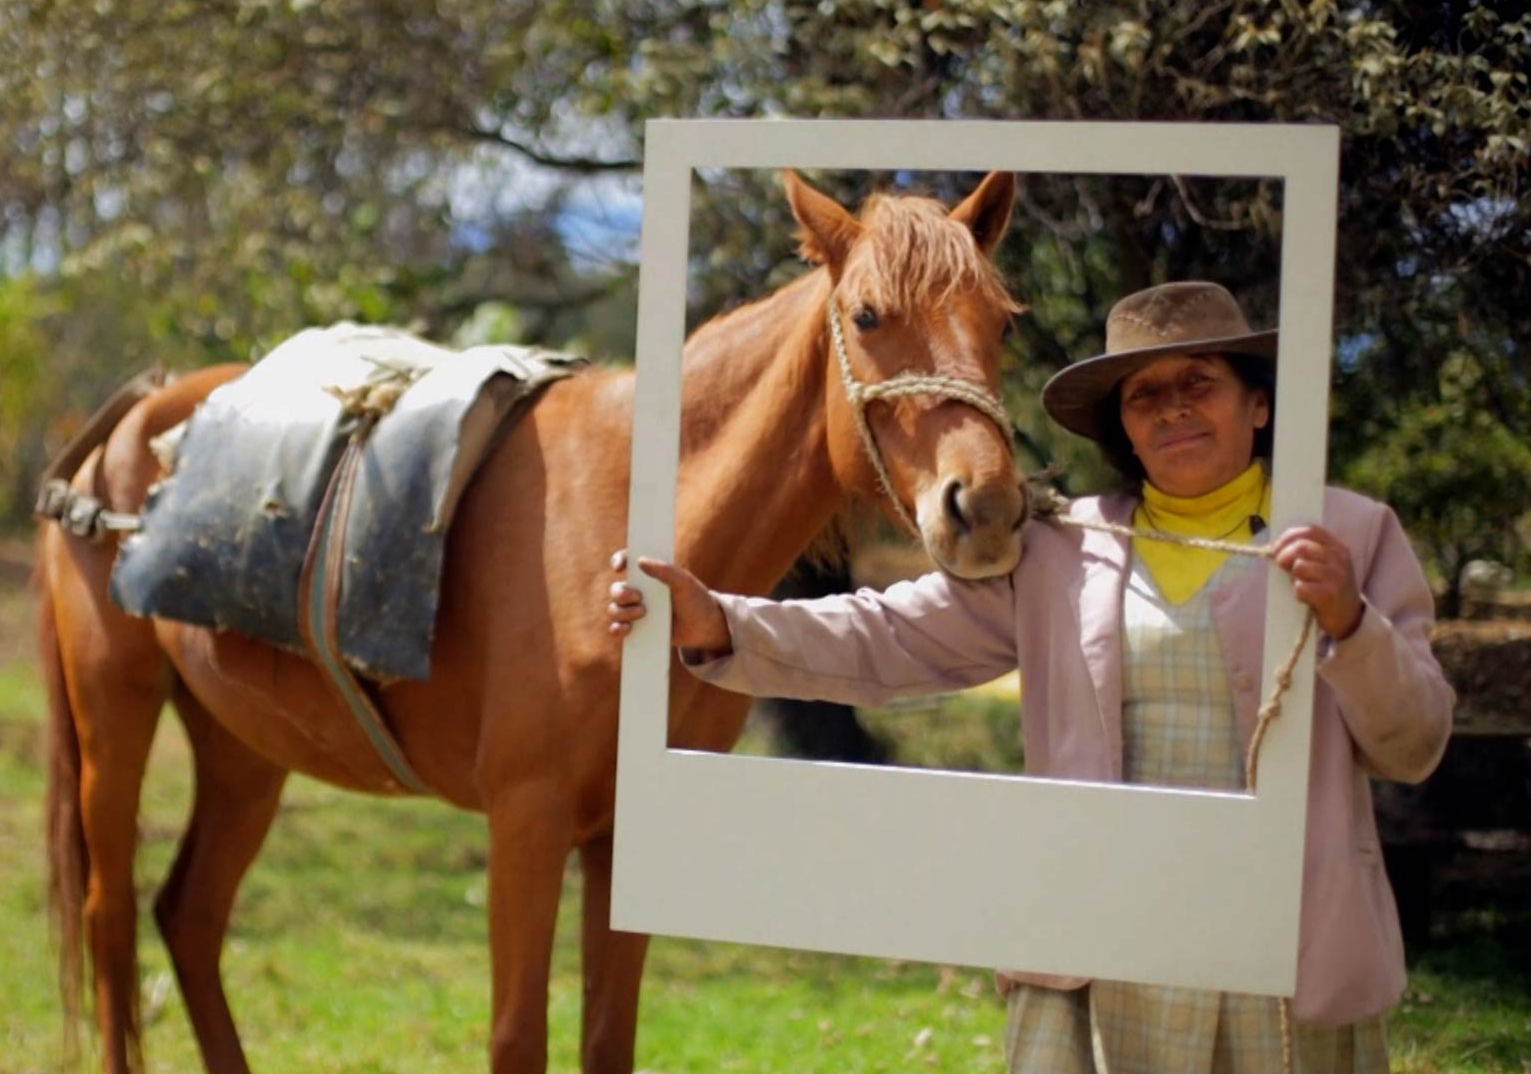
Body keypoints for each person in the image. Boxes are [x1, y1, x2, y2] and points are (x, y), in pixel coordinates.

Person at [604, 281, 1454, 1073]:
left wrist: (1350, 619)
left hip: (1280, 953)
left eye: (1200, 381)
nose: (1172, 408)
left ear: (1257, 403)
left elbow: (1414, 744)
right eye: (1144, 395)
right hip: (1100, 948)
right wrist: (726, 623)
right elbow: (889, 635)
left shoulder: (1348, 537)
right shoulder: (1062, 549)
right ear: (1124, 428)